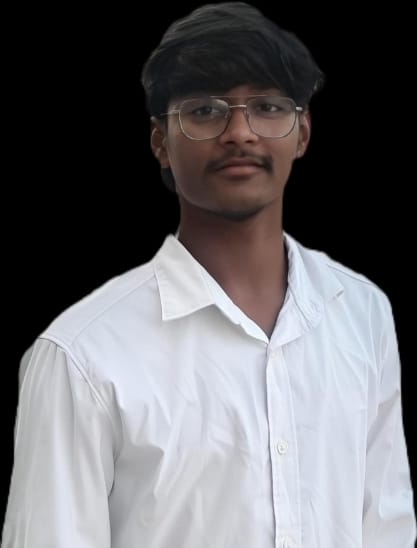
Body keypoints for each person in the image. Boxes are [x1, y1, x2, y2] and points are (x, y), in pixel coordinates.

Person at [2, 2, 415, 547]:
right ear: (160, 142)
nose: (239, 133)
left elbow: (386, 529)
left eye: (267, 107)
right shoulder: (82, 355)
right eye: (204, 110)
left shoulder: (361, 313)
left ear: (302, 133)